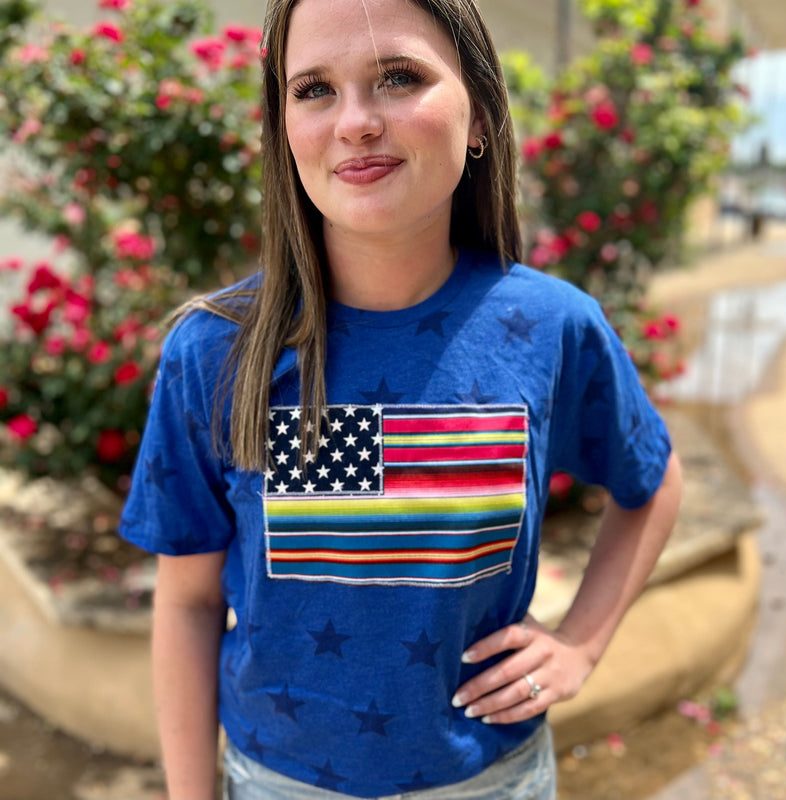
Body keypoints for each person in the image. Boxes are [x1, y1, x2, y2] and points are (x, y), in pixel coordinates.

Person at [119, 0, 683, 797]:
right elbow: (186, 604)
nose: (355, 122)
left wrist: (583, 643)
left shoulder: (552, 327)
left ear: (478, 115)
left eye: (399, 77)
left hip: (492, 781)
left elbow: (653, 480)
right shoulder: (214, 350)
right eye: (314, 89)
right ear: (284, 129)